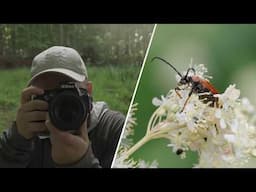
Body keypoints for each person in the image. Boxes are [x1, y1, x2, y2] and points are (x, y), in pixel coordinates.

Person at [0, 46, 125, 168]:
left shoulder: (114, 129)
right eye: (48, 95)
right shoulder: (31, 130)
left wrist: (81, 162)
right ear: (34, 96)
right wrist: (16, 141)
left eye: (68, 92)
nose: (60, 103)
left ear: (89, 90)